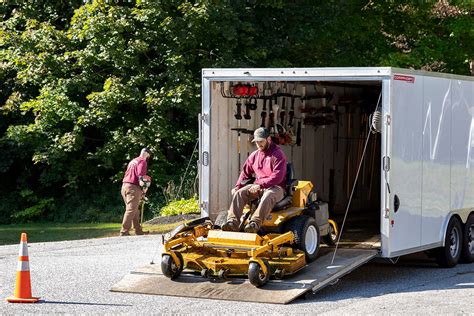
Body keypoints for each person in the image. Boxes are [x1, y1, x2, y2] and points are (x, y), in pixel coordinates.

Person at [222, 127, 287, 233]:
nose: (259, 144)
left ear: (269, 139)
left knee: (268, 195)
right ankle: (232, 223)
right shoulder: (254, 156)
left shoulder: (278, 154)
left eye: (261, 141)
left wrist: (260, 185)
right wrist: (238, 186)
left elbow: (277, 177)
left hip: (276, 187)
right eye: (257, 142)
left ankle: (254, 223)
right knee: (239, 193)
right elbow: (245, 173)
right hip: (258, 186)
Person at [120, 147, 152, 236]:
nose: (148, 157)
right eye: (149, 155)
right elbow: (141, 177)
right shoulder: (142, 161)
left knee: (135, 210)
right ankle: (124, 231)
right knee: (131, 210)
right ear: (147, 154)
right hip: (133, 187)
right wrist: (145, 188)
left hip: (125, 186)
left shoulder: (133, 161)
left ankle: (138, 230)